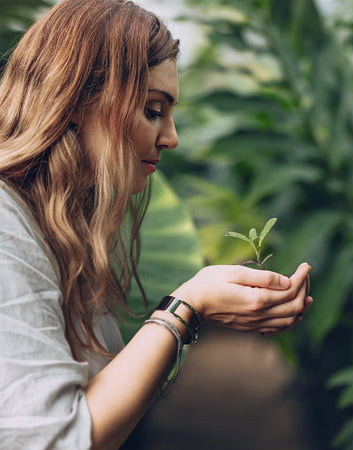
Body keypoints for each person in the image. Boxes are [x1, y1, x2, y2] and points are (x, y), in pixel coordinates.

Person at [0, 0, 313, 448]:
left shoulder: (62, 230)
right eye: (152, 109)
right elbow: (56, 438)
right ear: (74, 101)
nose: (171, 137)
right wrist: (185, 307)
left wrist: (201, 306)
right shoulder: (5, 225)